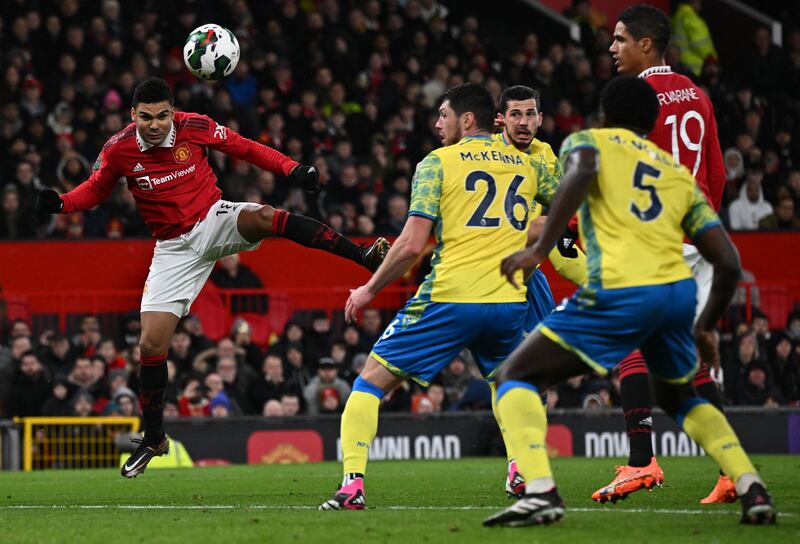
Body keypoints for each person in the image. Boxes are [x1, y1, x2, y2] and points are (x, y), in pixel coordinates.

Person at [35, 77, 390, 479]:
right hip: (172, 250)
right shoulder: (119, 149)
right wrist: (62, 203)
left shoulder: (194, 125)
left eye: (162, 116)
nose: (155, 125)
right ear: (133, 115)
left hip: (213, 218)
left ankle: (361, 254)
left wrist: (293, 168)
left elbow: (245, 147)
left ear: (173, 111)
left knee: (266, 217)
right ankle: (154, 437)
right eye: (146, 117)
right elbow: (95, 190)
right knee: (151, 344)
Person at [483, 76, 775, 528]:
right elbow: (729, 261)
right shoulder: (675, 172)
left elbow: (579, 174)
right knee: (678, 398)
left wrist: (537, 251)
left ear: (604, 114)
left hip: (621, 288)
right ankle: (750, 485)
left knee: (512, 376)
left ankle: (540, 491)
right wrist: (705, 326)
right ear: (652, 122)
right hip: (676, 294)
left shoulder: (587, 143)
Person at [319, 83, 558, 510]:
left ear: (466, 120)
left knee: (370, 381)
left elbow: (412, 245)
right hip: (507, 302)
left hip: (450, 297)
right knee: (510, 385)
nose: (436, 124)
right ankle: (521, 469)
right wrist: (534, 238)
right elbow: (566, 206)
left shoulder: (437, 163)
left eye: (442, 115)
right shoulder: (528, 166)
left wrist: (370, 289)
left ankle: (351, 485)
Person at [604, 4, 733, 504]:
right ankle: (730, 471)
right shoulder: (697, 95)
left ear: (647, 45)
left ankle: (641, 463)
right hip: (694, 239)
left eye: (620, 39)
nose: (613, 49)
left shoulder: (637, 98)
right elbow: (717, 174)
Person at [493, 84, 586, 497]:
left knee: (536, 379)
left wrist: (601, 281)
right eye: (516, 114)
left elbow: (561, 240)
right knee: (505, 374)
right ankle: (520, 461)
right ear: (501, 120)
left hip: (531, 279)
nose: (524, 122)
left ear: (540, 118)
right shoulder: (485, 155)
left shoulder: (547, 156)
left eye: (530, 114)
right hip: (490, 279)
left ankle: (521, 463)